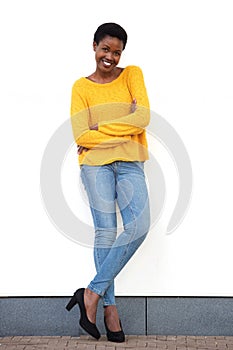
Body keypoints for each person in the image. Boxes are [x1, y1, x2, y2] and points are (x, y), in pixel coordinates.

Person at [66, 23, 151, 343]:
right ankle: (110, 310)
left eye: (117, 52)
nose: (111, 56)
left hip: (130, 163)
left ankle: (90, 294)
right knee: (105, 232)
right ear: (94, 47)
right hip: (94, 167)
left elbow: (142, 118)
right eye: (106, 49)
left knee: (138, 226)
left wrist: (101, 126)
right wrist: (123, 126)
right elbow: (80, 134)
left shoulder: (133, 75)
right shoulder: (80, 87)